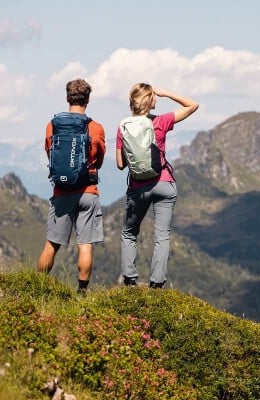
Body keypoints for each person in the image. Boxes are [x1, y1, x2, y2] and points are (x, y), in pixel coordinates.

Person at [117, 83, 198, 288]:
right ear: (151, 102)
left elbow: (119, 164)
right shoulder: (161, 121)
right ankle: (157, 283)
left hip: (138, 187)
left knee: (129, 232)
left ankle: (130, 280)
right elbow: (193, 105)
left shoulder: (123, 126)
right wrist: (166, 92)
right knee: (162, 236)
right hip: (164, 183)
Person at [37, 79, 106, 292]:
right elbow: (99, 161)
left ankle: (36, 287)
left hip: (62, 192)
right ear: (88, 99)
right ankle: (82, 292)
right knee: (85, 245)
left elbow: (51, 155)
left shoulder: (53, 125)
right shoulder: (95, 128)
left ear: (68, 98)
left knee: (52, 244)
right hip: (88, 192)